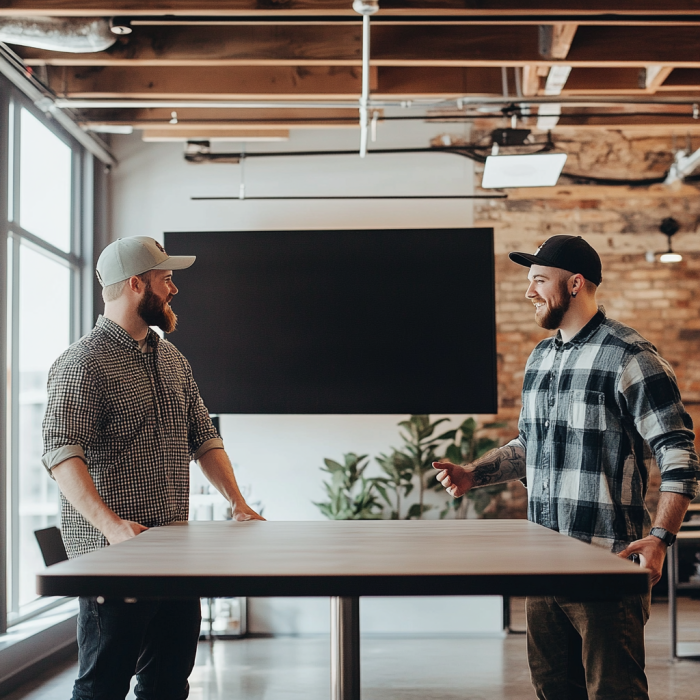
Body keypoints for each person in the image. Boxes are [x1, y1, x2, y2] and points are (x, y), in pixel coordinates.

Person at [434, 234, 699, 700]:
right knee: (553, 690)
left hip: (607, 567)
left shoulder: (630, 356)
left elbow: (679, 453)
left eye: (539, 280)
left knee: (615, 693)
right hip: (543, 565)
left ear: (575, 284)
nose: (529, 291)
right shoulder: (541, 358)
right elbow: (531, 445)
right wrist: (474, 474)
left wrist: (660, 540)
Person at [42, 236, 264, 700]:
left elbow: (204, 438)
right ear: (137, 285)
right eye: (167, 280)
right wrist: (115, 529)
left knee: (167, 683)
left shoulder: (171, 358)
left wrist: (238, 503)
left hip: (174, 555)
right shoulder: (82, 362)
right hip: (115, 559)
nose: (174, 289)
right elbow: (62, 455)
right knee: (101, 688)